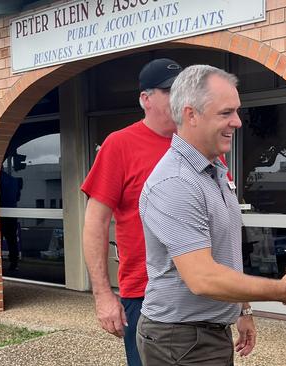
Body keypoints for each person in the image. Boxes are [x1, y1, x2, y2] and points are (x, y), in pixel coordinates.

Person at [137, 64, 286, 365]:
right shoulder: (176, 182)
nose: (237, 122)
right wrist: (282, 292)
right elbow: (203, 278)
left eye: (237, 111)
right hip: (180, 339)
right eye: (226, 113)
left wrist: (243, 309)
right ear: (191, 115)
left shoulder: (214, 172)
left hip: (205, 332)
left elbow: (225, 255)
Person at [81, 58, 183, 366]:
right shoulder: (120, 144)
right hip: (145, 294)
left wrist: (242, 307)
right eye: (170, 91)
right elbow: (95, 223)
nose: (181, 98)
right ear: (145, 98)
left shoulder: (197, 143)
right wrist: (102, 295)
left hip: (200, 292)